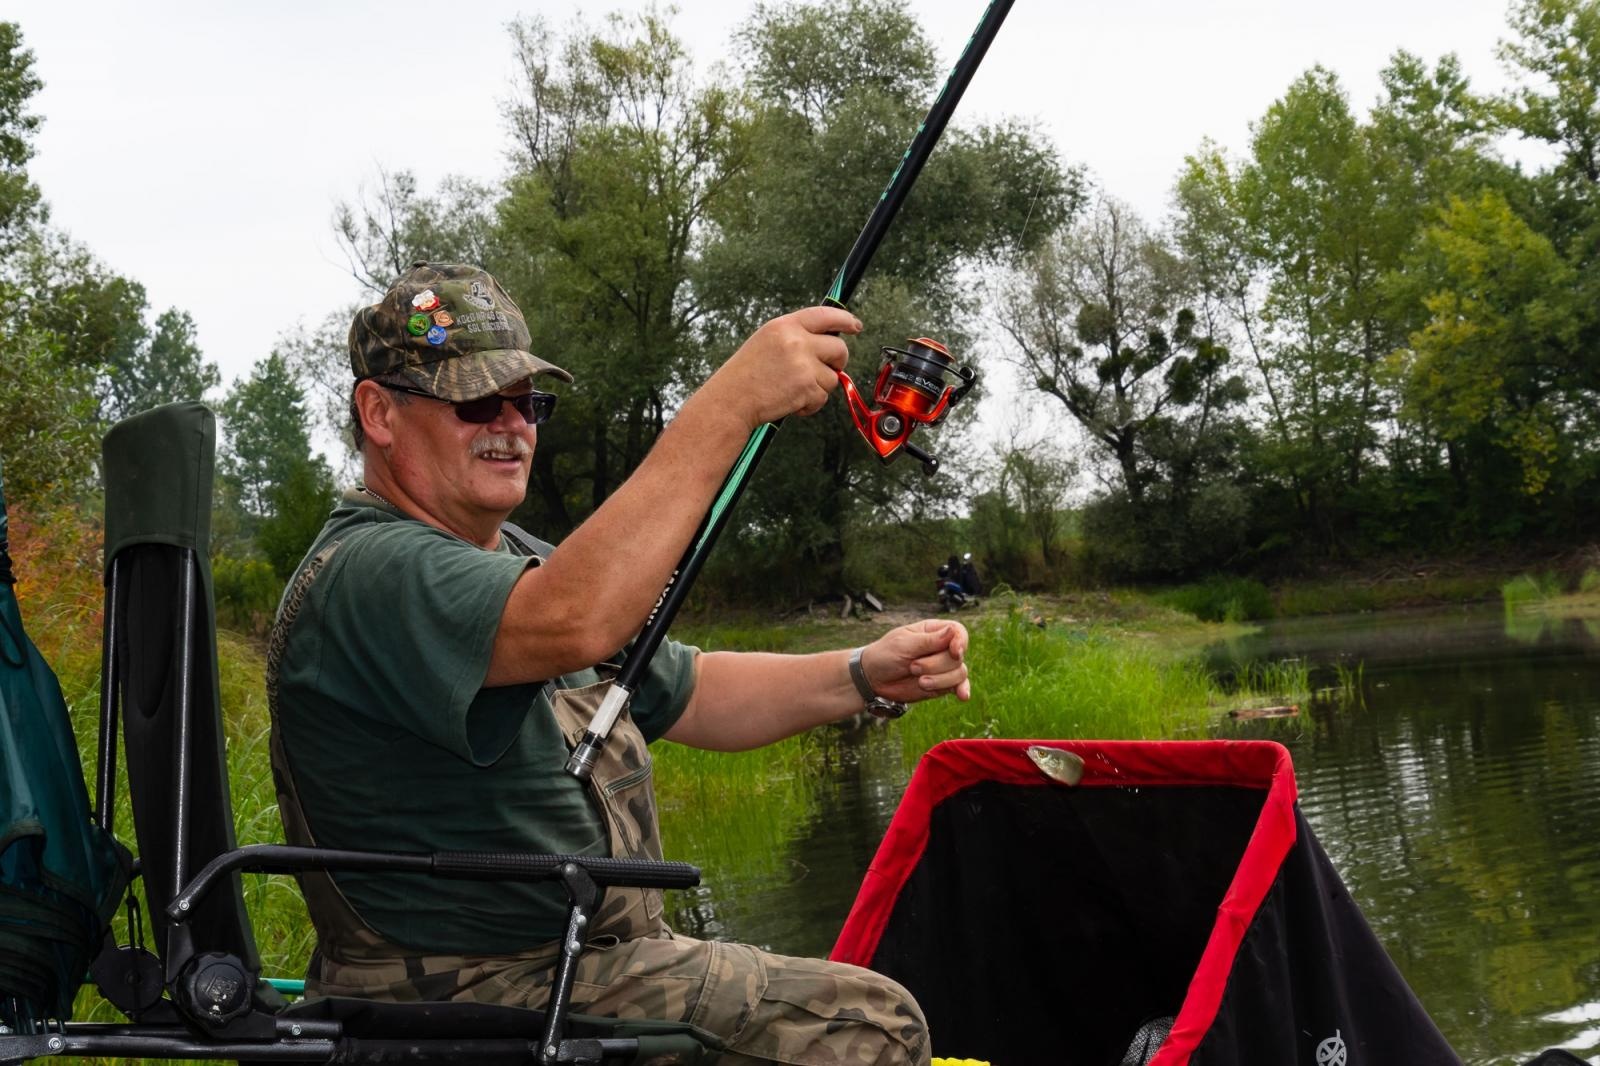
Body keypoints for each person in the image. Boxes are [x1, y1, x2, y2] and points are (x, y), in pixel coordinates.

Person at [267, 262, 970, 1065]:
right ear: (378, 414)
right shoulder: (372, 572)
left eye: (526, 402)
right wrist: (731, 403)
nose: (510, 425)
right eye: (475, 403)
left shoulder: (518, 563)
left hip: (581, 969)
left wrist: (863, 673)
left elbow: (692, 690)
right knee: (870, 1026)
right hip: (467, 994)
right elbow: (578, 617)